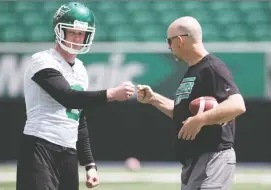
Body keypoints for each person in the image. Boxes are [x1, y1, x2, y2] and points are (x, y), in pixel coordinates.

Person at [16, 2, 135, 190]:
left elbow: (79, 119)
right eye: (73, 32)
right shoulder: (42, 60)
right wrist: (111, 94)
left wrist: (90, 165)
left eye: (82, 34)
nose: (78, 39)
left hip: (68, 152)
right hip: (40, 146)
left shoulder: (80, 69)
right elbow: (67, 97)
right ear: (60, 32)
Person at [137, 16, 246, 190]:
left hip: (214, 159)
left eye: (169, 41)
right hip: (193, 161)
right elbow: (182, 113)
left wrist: (200, 120)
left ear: (179, 40)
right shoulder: (193, 71)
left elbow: (237, 105)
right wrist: (153, 99)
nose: (169, 46)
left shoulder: (212, 67)